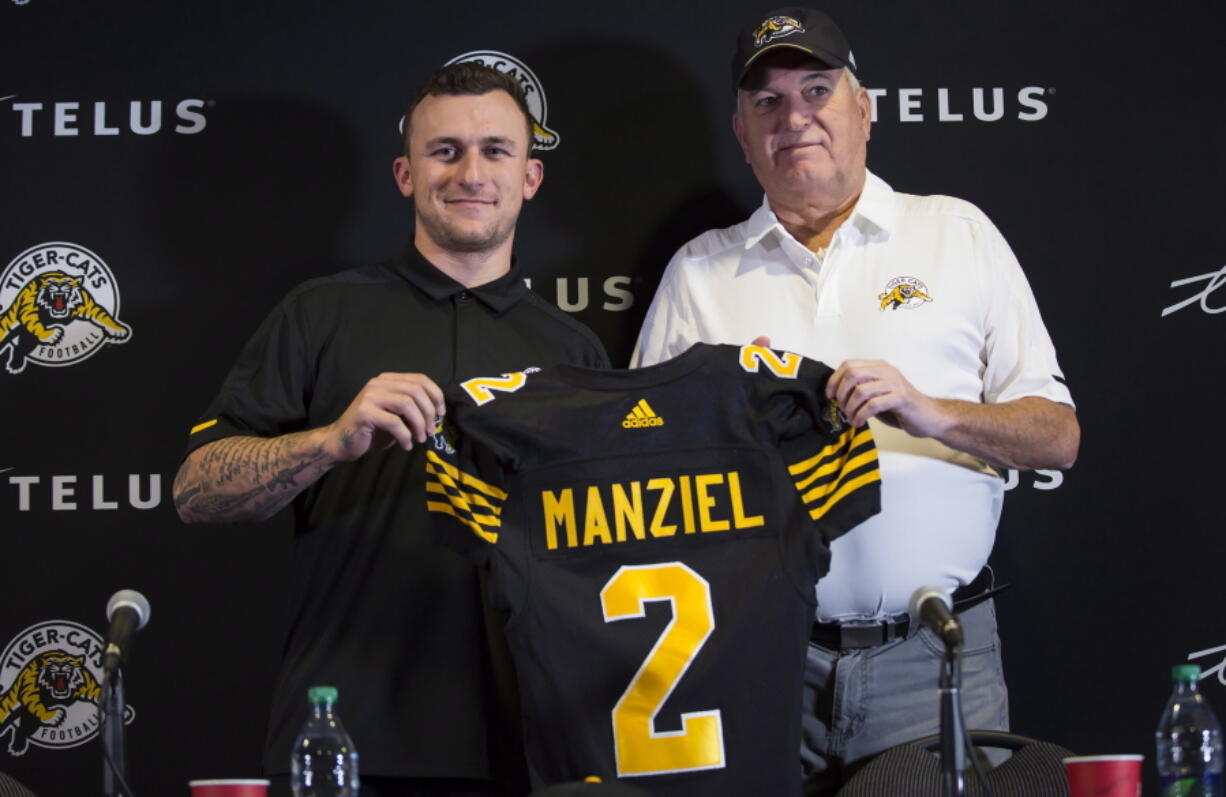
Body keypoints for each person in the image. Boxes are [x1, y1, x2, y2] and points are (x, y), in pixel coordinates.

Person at [631, 7, 1079, 795]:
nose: (794, 118)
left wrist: (930, 410)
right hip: (759, 658)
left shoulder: (954, 234)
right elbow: (639, 471)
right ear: (741, 131)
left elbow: (1058, 435)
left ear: (863, 109)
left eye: (816, 90)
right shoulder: (698, 275)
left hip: (936, 656)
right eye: (767, 103)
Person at [173, 62, 609, 797]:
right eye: (446, 151)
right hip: (347, 737)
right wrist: (328, 441)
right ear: (406, 174)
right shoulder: (321, 313)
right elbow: (196, 489)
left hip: (531, 742)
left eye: (496, 151)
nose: (471, 172)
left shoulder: (574, 351)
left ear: (530, 177)